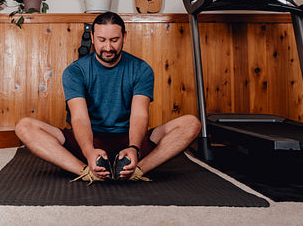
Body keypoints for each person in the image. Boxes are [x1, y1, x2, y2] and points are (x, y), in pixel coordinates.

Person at [15, 12, 201, 184]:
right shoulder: (75, 71)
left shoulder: (141, 69)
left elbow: (139, 115)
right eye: (102, 40)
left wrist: (134, 148)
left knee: (192, 124)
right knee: (24, 126)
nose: (108, 47)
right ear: (93, 38)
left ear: (124, 37)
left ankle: (138, 170)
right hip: (87, 140)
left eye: (114, 40)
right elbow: (79, 117)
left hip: (128, 140)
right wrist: (88, 151)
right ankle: (87, 171)